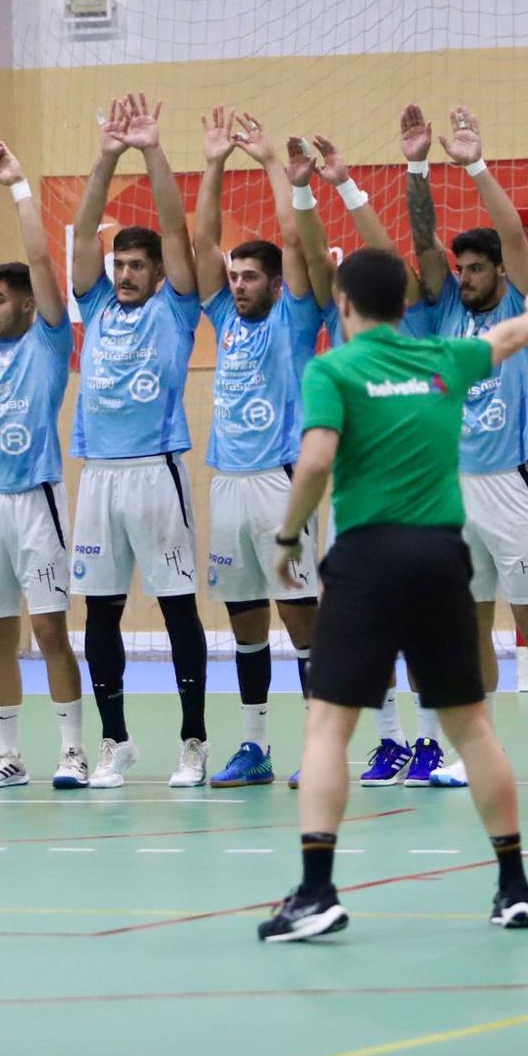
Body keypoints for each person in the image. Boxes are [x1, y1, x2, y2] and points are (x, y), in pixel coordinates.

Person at [259, 247, 528, 942]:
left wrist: (288, 541)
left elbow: (314, 459)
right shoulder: (442, 358)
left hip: (368, 560)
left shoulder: (333, 369)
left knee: (328, 727)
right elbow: (506, 337)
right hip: (440, 557)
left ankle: (316, 892)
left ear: (342, 305)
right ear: (405, 306)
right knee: (472, 726)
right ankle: (514, 885)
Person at [403, 103, 528, 788]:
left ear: (502, 274)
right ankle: (475, 750)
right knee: (468, 628)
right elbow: (422, 242)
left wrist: (474, 164)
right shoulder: (444, 307)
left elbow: (511, 231)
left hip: (513, 482)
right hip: (454, 493)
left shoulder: (520, 306)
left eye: (480, 268)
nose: (470, 276)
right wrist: (417, 165)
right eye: (465, 268)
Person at [67, 94, 210, 789]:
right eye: (117, 264)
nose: (122, 274)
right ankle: (115, 742)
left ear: (155, 274)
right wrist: (105, 156)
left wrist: (150, 150)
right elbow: (81, 234)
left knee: (177, 604)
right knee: (100, 610)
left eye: (134, 266)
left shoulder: (176, 311)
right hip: (98, 477)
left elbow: (181, 237)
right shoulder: (94, 304)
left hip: (157, 473)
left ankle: (193, 741)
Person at [311, 131, 462, 788]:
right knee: (363, 625)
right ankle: (391, 741)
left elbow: (392, 255)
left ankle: (431, 742)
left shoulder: (427, 327)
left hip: (422, 502)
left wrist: (367, 179)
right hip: (358, 500)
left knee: (425, 627)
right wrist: (325, 184)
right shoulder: (349, 346)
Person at [193, 111, 328, 788]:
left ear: (275, 284)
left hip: (279, 483)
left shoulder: (294, 318)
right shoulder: (221, 316)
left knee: (301, 620)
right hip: (228, 484)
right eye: (236, 275)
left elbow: (296, 246)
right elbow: (203, 241)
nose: (239, 283)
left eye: (251, 276)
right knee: (244, 623)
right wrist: (215, 163)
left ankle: (319, 749)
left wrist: (276, 162)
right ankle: (254, 748)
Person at [0, 140, 87, 789]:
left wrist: (19, 185)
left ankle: (71, 751)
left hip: (35, 499)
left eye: (0, 298)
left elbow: (38, 257)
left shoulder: (48, 336)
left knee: (49, 628)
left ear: (29, 303)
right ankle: (7, 754)